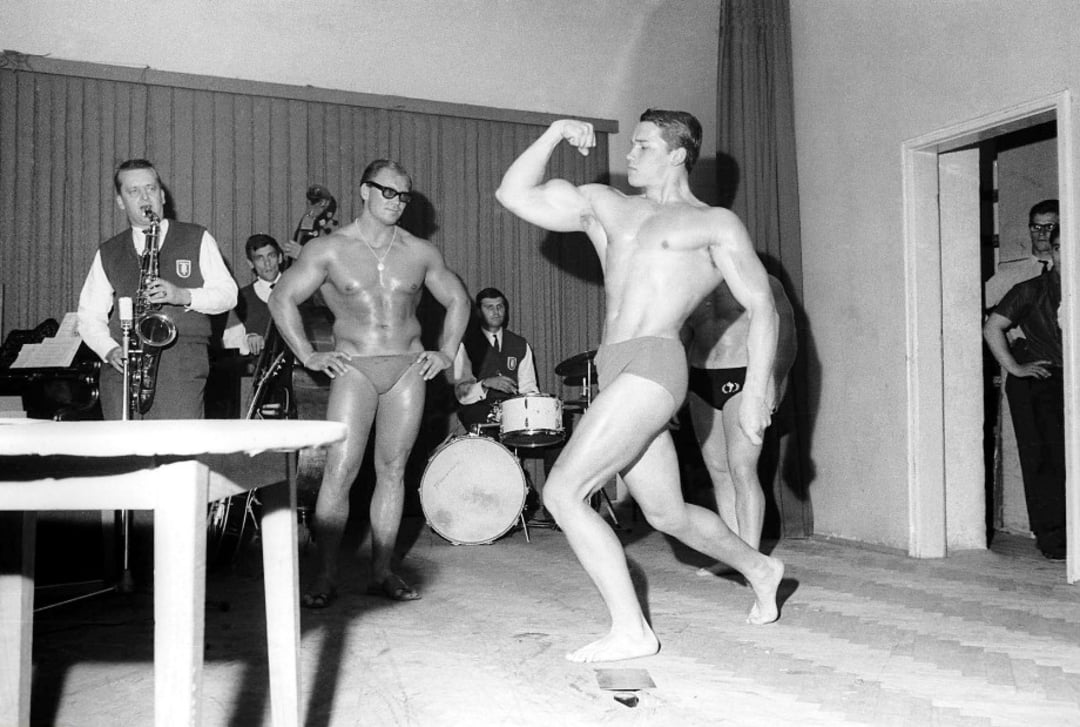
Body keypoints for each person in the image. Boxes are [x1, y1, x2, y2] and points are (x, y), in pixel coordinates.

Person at [495, 110, 786, 663]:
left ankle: (632, 629)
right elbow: (514, 193)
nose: (629, 154)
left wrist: (754, 392)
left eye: (643, 146)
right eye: (631, 144)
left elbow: (763, 307)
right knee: (667, 514)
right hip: (613, 362)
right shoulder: (607, 205)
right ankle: (760, 566)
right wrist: (555, 132)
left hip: (657, 361)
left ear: (678, 154)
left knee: (562, 492)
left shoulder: (714, 224)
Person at [270, 158, 470, 606]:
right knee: (339, 472)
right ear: (364, 191)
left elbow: (457, 298)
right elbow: (283, 297)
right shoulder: (329, 248)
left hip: (407, 369)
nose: (397, 202)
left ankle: (383, 570)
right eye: (388, 192)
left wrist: (446, 351)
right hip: (356, 368)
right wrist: (307, 354)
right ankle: (324, 575)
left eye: (404, 196)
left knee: (394, 471)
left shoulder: (420, 251)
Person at [77, 158, 238, 420]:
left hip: (181, 364)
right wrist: (108, 349)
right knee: (125, 456)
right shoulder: (109, 251)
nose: (145, 198)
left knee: (178, 452)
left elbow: (229, 295)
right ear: (120, 201)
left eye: (151, 189)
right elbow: (88, 315)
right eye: (134, 191)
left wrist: (182, 295)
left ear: (162, 195)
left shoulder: (196, 237)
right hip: (123, 366)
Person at [684, 276, 798, 567]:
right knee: (719, 472)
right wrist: (675, 389)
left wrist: (772, 381)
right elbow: (682, 338)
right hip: (700, 379)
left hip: (744, 378)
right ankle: (734, 558)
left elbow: (785, 335)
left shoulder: (760, 280)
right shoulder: (688, 279)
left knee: (742, 469)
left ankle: (753, 561)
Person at [983, 226, 1066, 560]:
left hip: (1071, 382)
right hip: (1045, 380)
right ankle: (1054, 540)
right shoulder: (1032, 288)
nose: (1062, 254)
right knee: (1046, 461)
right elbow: (993, 328)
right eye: (1057, 248)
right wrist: (1016, 368)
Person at [451, 287, 540, 431]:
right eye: (489, 307)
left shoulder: (520, 344)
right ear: (479, 312)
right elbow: (462, 393)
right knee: (491, 434)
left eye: (500, 306)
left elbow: (528, 386)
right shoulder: (466, 344)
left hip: (512, 409)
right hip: (478, 409)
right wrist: (486, 383)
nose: (496, 312)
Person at [985, 199, 1059, 309]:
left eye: (1049, 227)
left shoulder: (1068, 273)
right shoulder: (1008, 275)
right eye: (1036, 227)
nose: (1041, 233)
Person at [222, 233, 285, 358]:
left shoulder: (301, 288)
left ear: (280, 258)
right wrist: (247, 339)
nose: (267, 263)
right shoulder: (239, 298)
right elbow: (229, 339)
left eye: (271, 256)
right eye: (259, 258)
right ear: (250, 263)